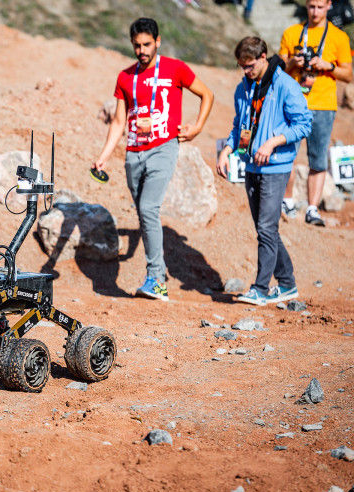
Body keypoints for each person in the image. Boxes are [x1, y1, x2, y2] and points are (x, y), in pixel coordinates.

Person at [93, 17, 213, 301]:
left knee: (148, 208)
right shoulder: (125, 77)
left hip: (163, 147)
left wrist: (197, 127)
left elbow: (206, 94)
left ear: (157, 42)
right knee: (144, 215)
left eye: (147, 44)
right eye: (137, 45)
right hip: (133, 152)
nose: (142, 50)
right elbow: (119, 121)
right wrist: (104, 156)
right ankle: (155, 275)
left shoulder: (175, 68)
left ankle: (156, 278)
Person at [217, 37, 312, 306]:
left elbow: (304, 124)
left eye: (249, 66)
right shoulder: (244, 87)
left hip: (276, 167)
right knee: (266, 229)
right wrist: (227, 149)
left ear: (263, 57)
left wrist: (273, 141)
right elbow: (239, 125)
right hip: (251, 165)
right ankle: (288, 283)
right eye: (241, 66)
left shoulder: (285, 85)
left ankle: (260, 288)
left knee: (266, 227)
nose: (246, 71)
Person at [279, 0, 352, 226]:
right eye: (311, 6)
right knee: (286, 155)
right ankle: (286, 202)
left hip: (323, 104)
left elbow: (348, 74)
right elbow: (279, 68)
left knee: (318, 159)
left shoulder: (339, 37)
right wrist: (293, 61)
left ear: (329, 5)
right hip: (294, 102)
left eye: (320, 7)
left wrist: (327, 66)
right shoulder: (292, 33)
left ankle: (312, 209)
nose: (315, 12)